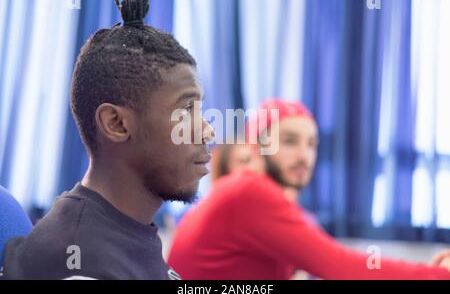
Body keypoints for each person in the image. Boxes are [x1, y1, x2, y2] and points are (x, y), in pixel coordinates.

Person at [1, 0, 213, 280]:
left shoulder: (121, 228)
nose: (208, 130)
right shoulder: (81, 265)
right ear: (116, 123)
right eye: (186, 109)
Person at [168, 99, 450, 280]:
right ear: (256, 148)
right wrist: (437, 274)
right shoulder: (248, 191)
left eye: (312, 144)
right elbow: (339, 266)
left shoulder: (253, 194)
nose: (305, 156)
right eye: (290, 141)